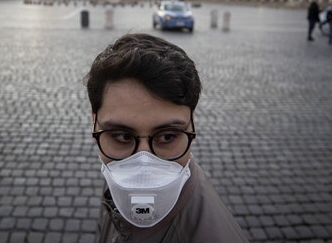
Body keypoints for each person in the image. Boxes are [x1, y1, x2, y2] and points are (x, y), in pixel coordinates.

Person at [86, 33, 248, 243]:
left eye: (168, 136)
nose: (143, 163)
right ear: (94, 122)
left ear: (191, 125)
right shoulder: (112, 185)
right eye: (122, 136)